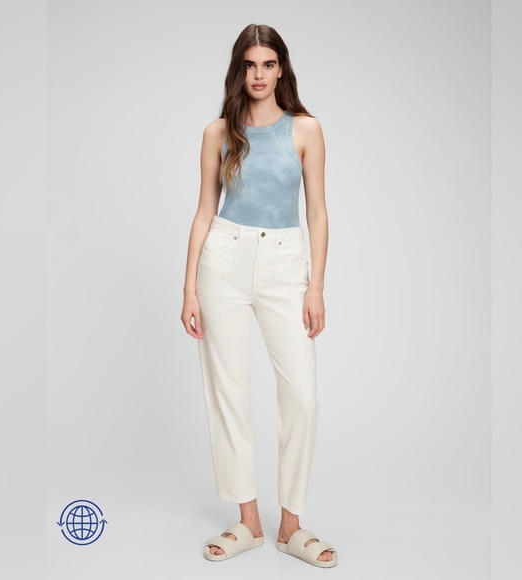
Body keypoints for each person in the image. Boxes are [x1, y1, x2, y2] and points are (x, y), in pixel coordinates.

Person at [181, 24, 338, 568]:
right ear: (239, 69)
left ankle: (290, 527)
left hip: (284, 262)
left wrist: (316, 286)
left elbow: (317, 212)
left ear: (281, 69)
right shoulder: (217, 132)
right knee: (228, 390)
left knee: (302, 396)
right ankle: (248, 522)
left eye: (268, 64)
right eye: (250, 64)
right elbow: (205, 210)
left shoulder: (306, 129)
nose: (259, 74)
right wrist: (188, 287)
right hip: (222, 258)